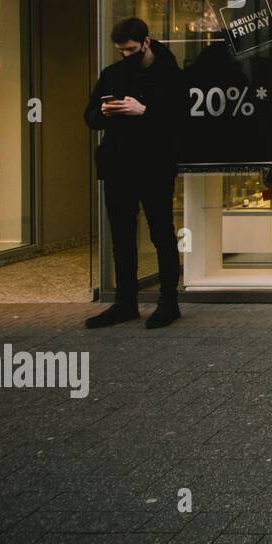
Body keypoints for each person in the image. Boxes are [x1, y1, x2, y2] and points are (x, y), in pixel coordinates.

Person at [82, 17, 186, 329]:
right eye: (121, 51)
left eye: (131, 49)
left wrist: (144, 111)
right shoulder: (112, 75)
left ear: (146, 42)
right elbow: (89, 116)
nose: (126, 56)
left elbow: (181, 121)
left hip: (155, 165)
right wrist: (103, 111)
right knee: (122, 235)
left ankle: (169, 301)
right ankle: (126, 301)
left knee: (161, 233)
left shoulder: (170, 75)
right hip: (117, 164)